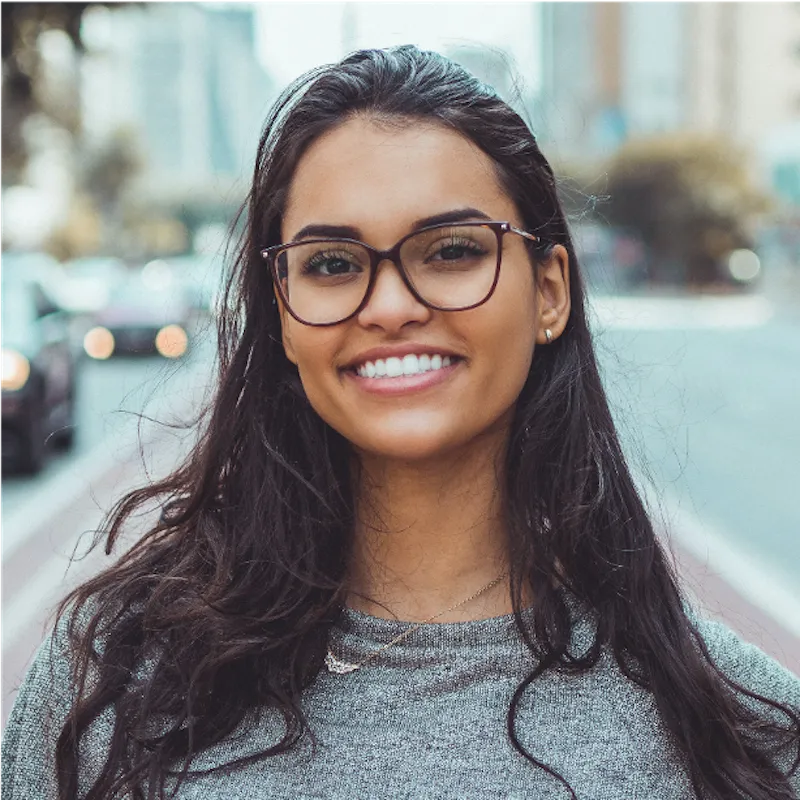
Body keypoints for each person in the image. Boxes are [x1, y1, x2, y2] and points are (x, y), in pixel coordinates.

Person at [1, 45, 799, 800]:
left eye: (451, 250)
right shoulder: (107, 686)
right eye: (333, 264)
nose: (389, 307)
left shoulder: (744, 729)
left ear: (549, 290)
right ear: (281, 311)